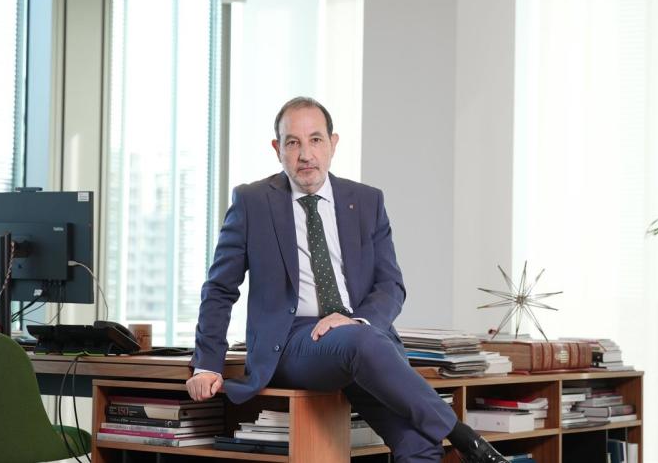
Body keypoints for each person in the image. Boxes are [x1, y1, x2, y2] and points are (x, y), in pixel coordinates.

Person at [187, 96, 507, 462]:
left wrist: (357, 321)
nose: (305, 154)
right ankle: (468, 440)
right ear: (277, 149)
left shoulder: (367, 201)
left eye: (315, 140)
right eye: (293, 143)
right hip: (293, 343)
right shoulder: (253, 201)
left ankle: (455, 440)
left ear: (333, 143)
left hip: (362, 340)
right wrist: (207, 364)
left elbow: (390, 285)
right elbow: (220, 288)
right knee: (361, 342)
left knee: (419, 443)